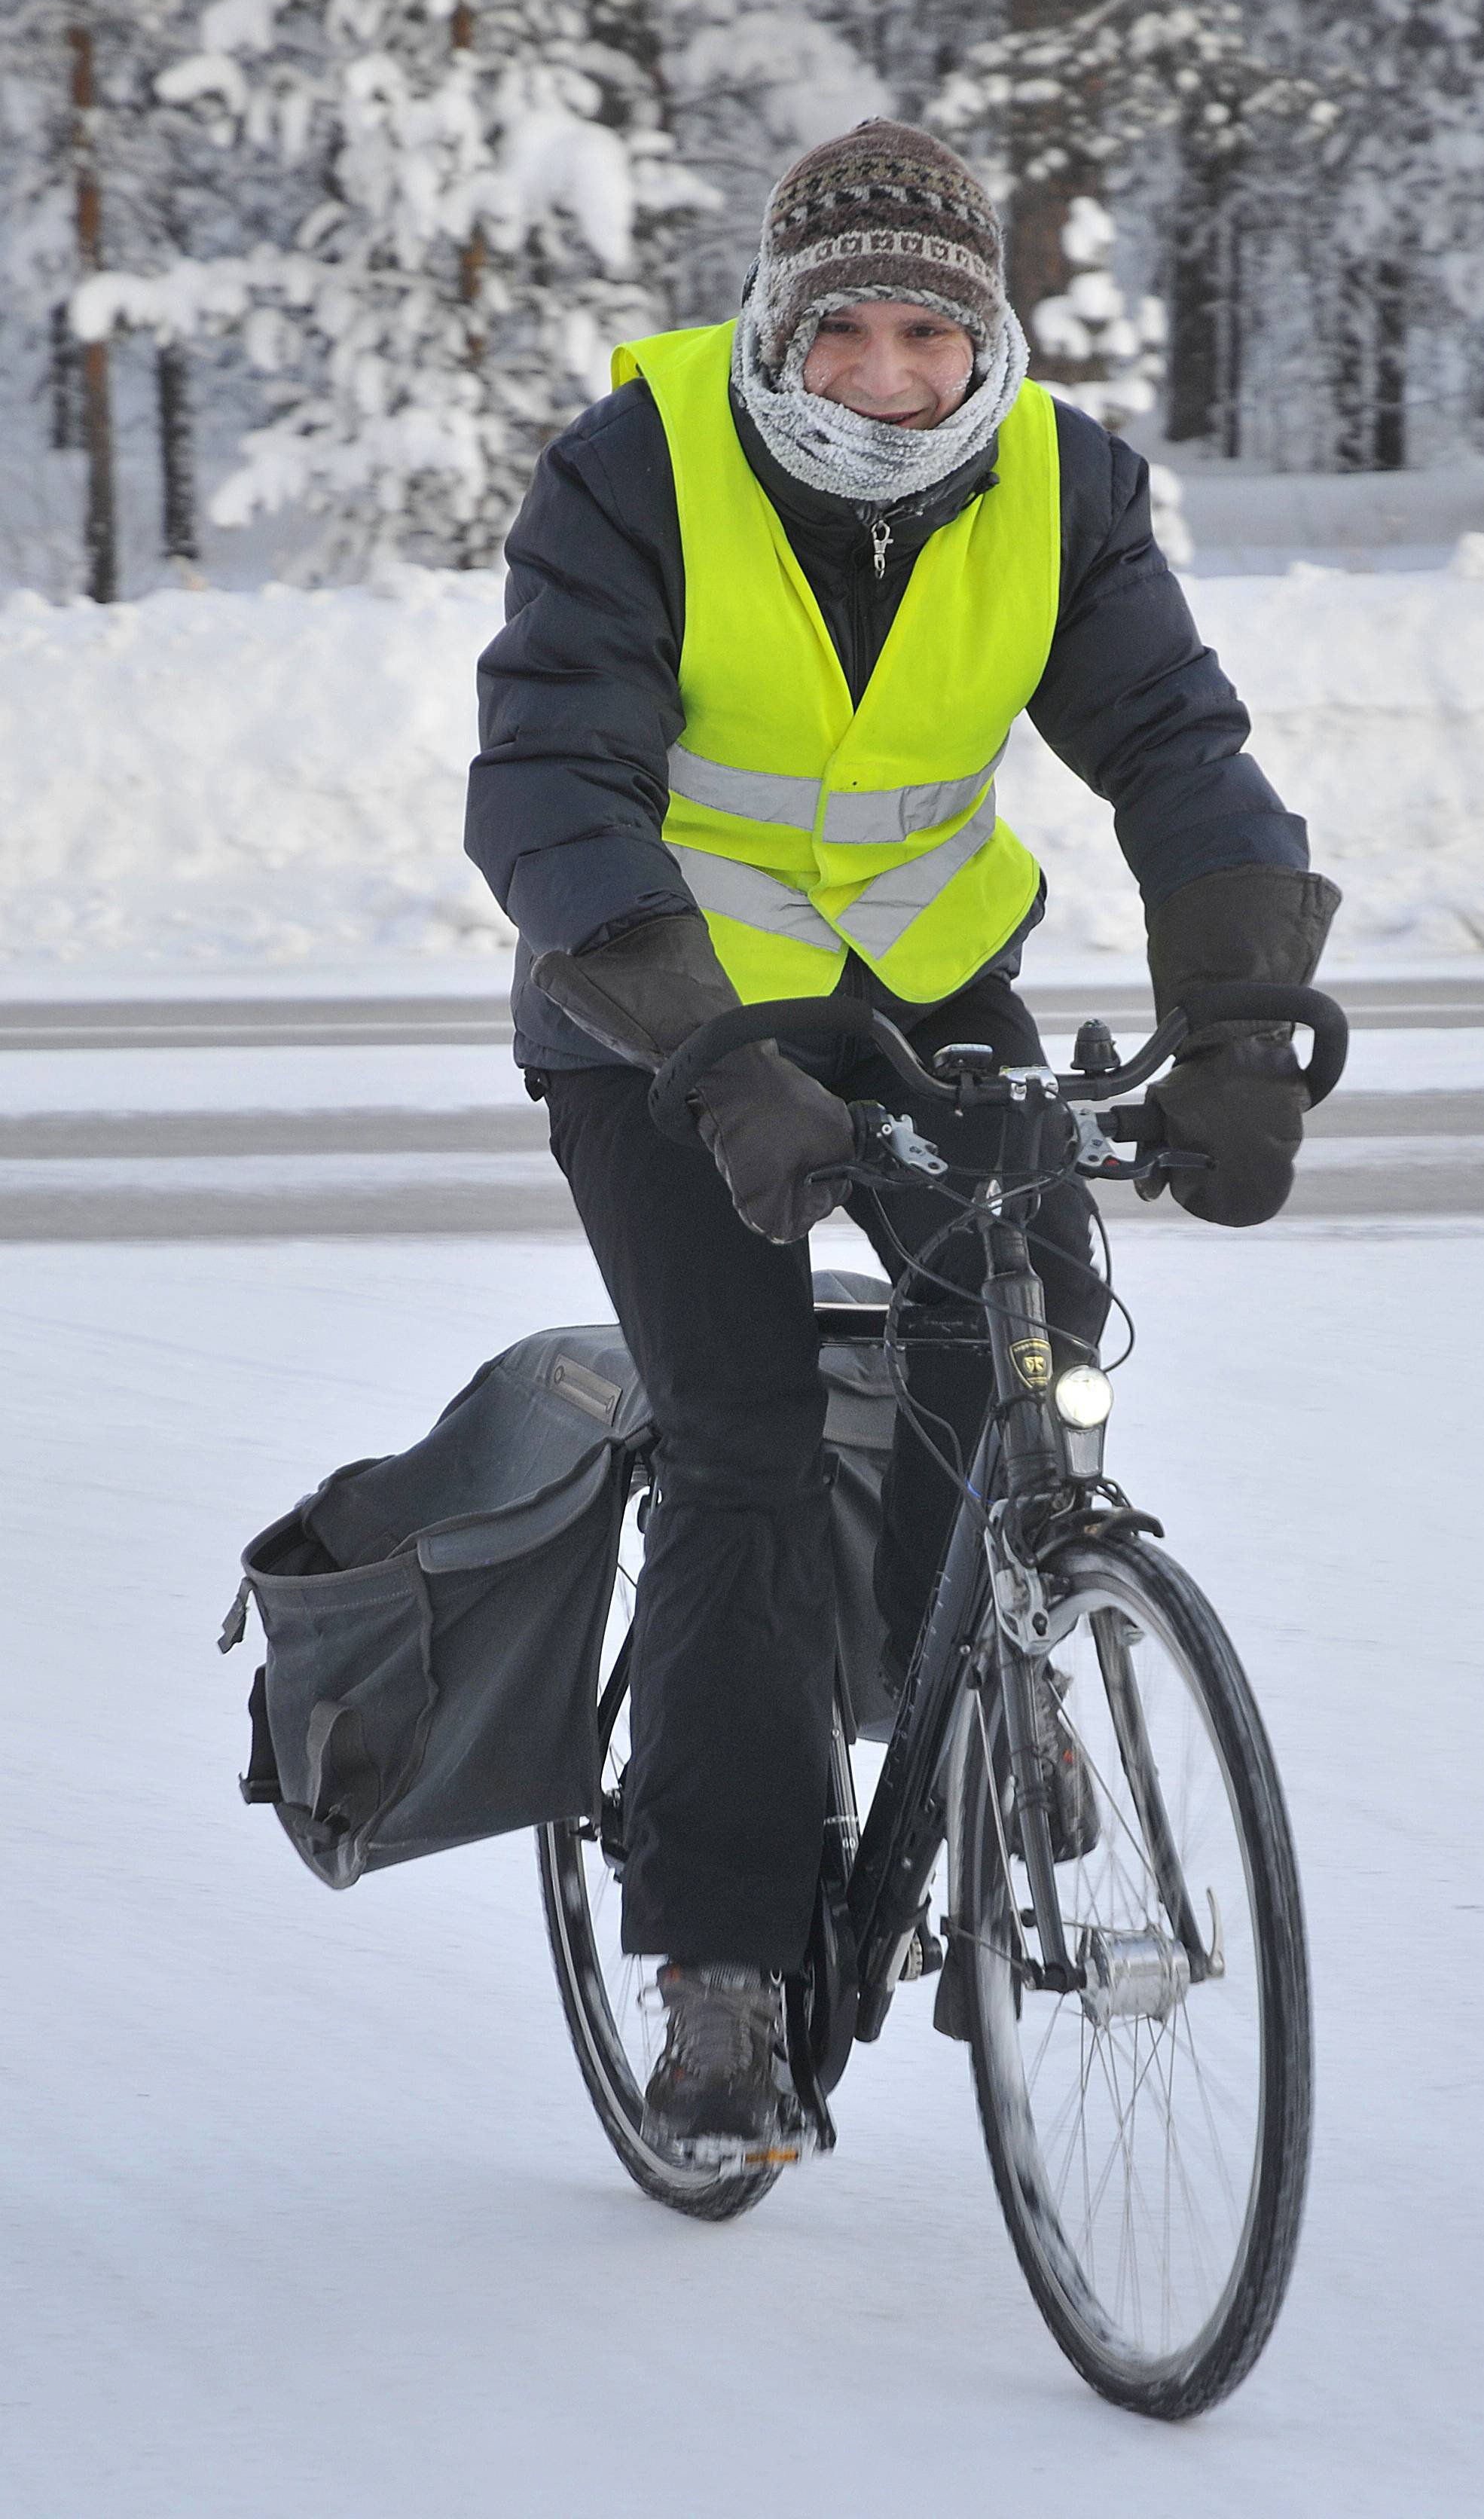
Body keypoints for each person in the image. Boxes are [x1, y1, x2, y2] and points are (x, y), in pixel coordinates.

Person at [466, 118, 1337, 2159]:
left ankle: (1004, 1639)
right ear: (777, 326)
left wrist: (1232, 1019)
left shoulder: (1061, 483)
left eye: (922, 332)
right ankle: (719, 1973)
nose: (880, 373)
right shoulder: (635, 470)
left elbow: (1177, 752)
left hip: (925, 985)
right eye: (836, 328)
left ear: (983, 340)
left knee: (1010, 1356)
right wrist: (704, 1059)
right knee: (745, 1447)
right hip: (656, 1006)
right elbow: (554, 793)